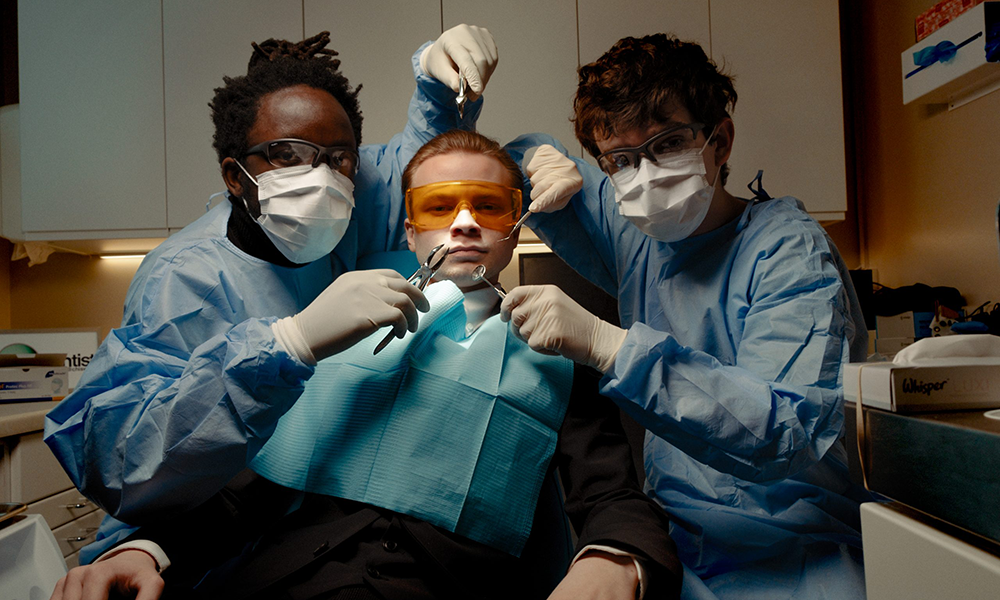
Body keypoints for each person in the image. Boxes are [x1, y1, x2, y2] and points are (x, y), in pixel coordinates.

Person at [48, 130, 683, 600]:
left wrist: (613, 559)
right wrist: (145, 549)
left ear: (516, 223)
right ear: (410, 230)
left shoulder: (560, 354)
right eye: (439, 207)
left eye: (487, 205)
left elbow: (614, 499)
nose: (463, 224)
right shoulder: (344, 325)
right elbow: (250, 493)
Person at [42, 25, 498, 561]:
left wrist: (435, 83)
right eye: (285, 155)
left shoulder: (358, 194)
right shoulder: (184, 281)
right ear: (235, 176)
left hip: (331, 525)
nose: (320, 176)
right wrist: (287, 343)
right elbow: (128, 464)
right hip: (224, 544)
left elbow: (433, 167)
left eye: (339, 157)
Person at [499, 34, 872, 599]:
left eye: (668, 143)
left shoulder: (788, 250)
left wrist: (609, 346)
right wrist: (535, 157)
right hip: (677, 544)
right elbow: (491, 165)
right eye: (621, 160)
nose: (644, 175)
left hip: (794, 546)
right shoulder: (635, 238)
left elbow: (788, 431)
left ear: (718, 141)